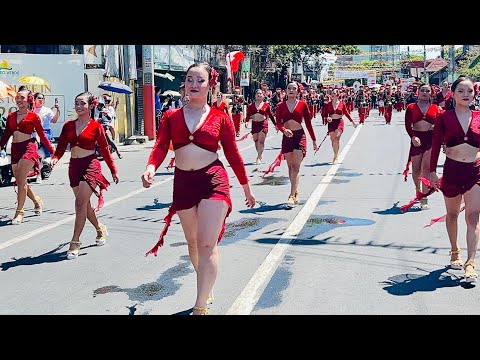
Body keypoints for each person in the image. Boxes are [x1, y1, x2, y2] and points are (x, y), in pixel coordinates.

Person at [141, 62, 255, 315]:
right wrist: (151, 167)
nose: (194, 84)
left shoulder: (220, 117)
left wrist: (246, 187)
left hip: (213, 181)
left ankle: (200, 305)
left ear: (209, 84)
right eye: (190, 79)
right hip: (183, 183)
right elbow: (160, 146)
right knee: (192, 243)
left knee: (206, 244)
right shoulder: (170, 116)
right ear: (185, 83)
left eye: (200, 80)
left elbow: (233, 154)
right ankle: (206, 282)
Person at [51, 92, 119, 260]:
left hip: (90, 165)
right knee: (85, 205)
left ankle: (75, 242)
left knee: (80, 203)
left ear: (91, 106)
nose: (79, 106)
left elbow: (104, 150)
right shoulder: (68, 125)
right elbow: (60, 148)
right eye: (77, 103)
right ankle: (99, 228)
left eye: (82, 103)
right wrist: (54, 158)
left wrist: (113, 169)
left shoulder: (96, 126)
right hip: (74, 167)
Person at [429, 76, 480, 284]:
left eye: (469, 91)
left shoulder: (479, 116)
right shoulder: (444, 117)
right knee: (452, 215)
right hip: (451, 170)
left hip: (475, 171)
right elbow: (435, 145)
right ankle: (454, 250)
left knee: (473, 216)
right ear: (453, 94)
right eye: (461, 91)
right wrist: (432, 171)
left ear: (474, 94)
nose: (466, 95)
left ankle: (470, 263)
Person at [0, 88, 55, 224]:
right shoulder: (11, 115)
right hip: (15, 149)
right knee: (20, 181)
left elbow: (42, 135)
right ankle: (36, 200)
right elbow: (7, 134)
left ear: (29, 100)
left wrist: (52, 151)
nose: (19, 100)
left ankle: (20, 212)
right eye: (17, 98)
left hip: (29, 147)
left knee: (21, 179)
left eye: (22, 98)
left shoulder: (34, 116)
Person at [273, 81, 317, 208]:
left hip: (299, 137)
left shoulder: (303, 105)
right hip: (287, 138)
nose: (291, 90)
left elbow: (308, 123)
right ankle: (295, 190)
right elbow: (278, 123)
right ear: (285, 91)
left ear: (298, 91)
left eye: (294, 88)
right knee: (290, 167)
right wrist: (284, 130)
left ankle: (291, 195)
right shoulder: (280, 106)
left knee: (296, 167)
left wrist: (314, 140)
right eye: (289, 88)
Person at [404, 83, 442, 210]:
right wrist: (413, 137)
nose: (425, 93)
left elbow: (441, 125)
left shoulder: (436, 108)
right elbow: (408, 125)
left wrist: (436, 128)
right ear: (418, 92)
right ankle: (417, 189)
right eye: (422, 90)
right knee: (416, 169)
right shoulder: (411, 107)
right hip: (416, 139)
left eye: (427, 91)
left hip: (430, 140)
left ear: (431, 93)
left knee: (426, 168)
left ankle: (424, 197)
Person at [322, 89, 357, 163]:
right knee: (332, 138)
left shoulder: (342, 103)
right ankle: (335, 153)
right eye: (331, 93)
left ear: (337, 95)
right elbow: (324, 113)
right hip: (331, 123)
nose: (333, 94)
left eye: (334, 93)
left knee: (336, 138)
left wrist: (352, 122)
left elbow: (346, 113)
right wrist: (327, 118)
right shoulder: (328, 104)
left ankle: (336, 155)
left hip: (339, 122)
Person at [32, 92, 60, 183]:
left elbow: (54, 121)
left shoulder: (47, 110)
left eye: (42, 98)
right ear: (34, 99)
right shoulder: (31, 110)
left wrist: (58, 110)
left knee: (45, 139)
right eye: (39, 98)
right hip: (33, 132)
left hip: (45, 132)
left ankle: (48, 158)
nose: (41, 100)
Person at [245, 89, 277, 164]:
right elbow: (248, 114)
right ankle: (259, 153)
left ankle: (259, 157)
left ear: (263, 96)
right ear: (255, 96)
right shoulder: (251, 105)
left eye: (260, 94)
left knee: (261, 140)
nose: (259, 95)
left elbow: (271, 115)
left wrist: (276, 125)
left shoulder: (266, 105)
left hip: (263, 124)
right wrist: (246, 121)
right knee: (256, 140)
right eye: (257, 94)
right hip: (255, 124)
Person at [98, 94, 122, 159]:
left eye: (107, 102)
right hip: (99, 127)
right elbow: (95, 118)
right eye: (105, 101)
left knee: (110, 141)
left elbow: (110, 118)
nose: (106, 103)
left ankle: (118, 152)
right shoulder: (97, 110)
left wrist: (106, 114)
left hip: (108, 125)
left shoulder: (110, 109)